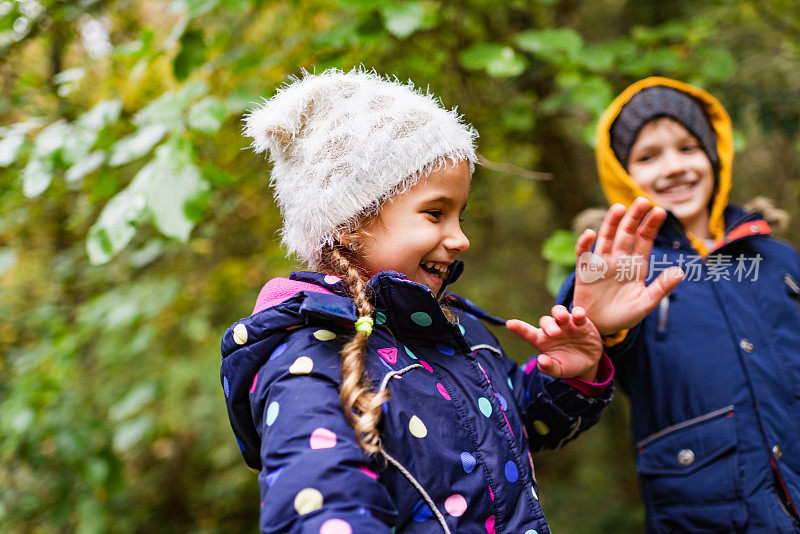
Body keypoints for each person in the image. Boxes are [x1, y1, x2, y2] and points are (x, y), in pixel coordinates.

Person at [220, 69, 673, 533]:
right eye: (435, 213)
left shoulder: (455, 329)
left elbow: (515, 430)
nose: (460, 239)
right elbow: (321, 509)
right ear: (349, 221)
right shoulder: (307, 361)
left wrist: (575, 367)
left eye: (460, 215)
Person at [558, 76, 800, 533]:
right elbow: (582, 357)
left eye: (687, 148)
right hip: (707, 514)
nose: (673, 168)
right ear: (620, 173)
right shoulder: (622, 267)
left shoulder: (775, 258)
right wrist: (600, 328)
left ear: (714, 155)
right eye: (648, 156)